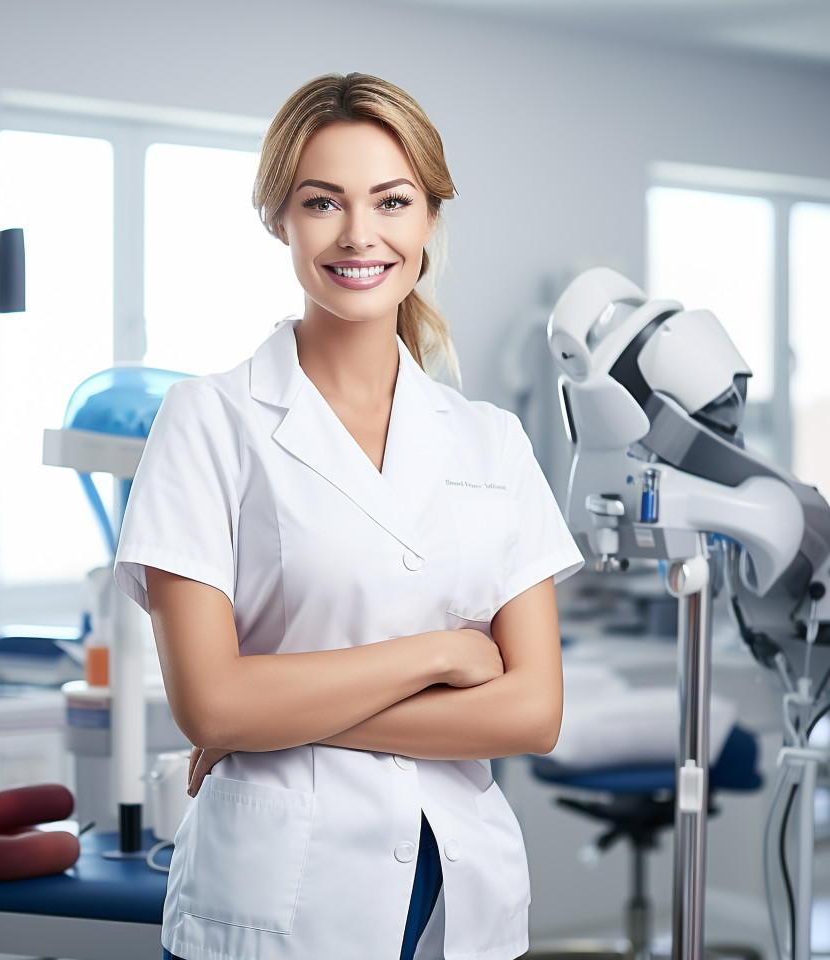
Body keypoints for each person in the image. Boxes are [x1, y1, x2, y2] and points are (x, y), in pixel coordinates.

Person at [113, 71, 584, 960]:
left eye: (393, 201)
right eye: (322, 202)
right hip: (280, 899)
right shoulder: (209, 420)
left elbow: (532, 714)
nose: (360, 235)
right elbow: (209, 702)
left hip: (458, 890)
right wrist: (443, 655)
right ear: (277, 220)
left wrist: (273, 710)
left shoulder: (492, 441)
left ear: (430, 222)